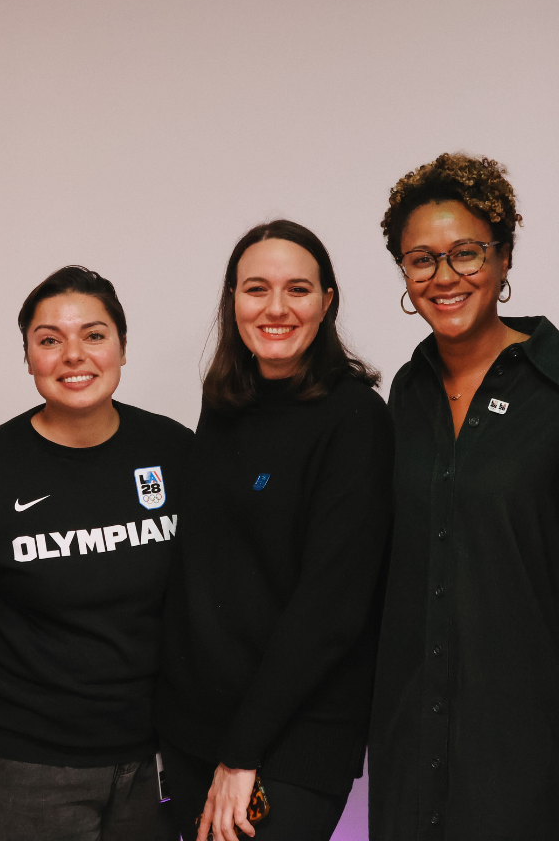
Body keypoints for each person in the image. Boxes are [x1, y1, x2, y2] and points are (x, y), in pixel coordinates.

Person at [157, 220, 394, 841]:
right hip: (198, 728)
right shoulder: (227, 403)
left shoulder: (356, 418)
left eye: (298, 289)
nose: (276, 308)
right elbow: (208, 567)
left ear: (327, 300)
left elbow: (332, 607)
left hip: (291, 732)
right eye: (256, 289)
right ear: (233, 300)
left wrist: (242, 753)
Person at [0, 265, 192, 841]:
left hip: (151, 757)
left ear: (123, 348)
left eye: (94, 335)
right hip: (29, 762)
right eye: (49, 340)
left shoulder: (174, 451)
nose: (73, 355)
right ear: (28, 358)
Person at [368, 154, 559, 839]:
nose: (444, 278)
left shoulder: (554, 390)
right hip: (411, 754)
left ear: (504, 259)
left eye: (466, 254)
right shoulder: (404, 395)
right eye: (422, 259)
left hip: (527, 759)